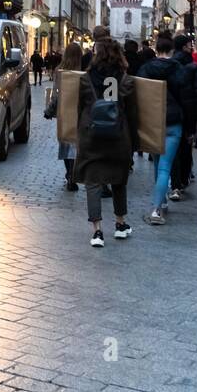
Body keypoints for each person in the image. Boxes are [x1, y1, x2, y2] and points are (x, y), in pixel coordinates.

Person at [74, 38, 140, 247]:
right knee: (118, 179)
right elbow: (132, 114)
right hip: (118, 137)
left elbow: (79, 110)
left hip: (92, 136)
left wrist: (80, 134)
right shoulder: (127, 80)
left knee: (93, 182)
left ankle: (97, 231)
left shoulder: (85, 79)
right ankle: (120, 224)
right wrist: (135, 143)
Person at [139, 34, 197, 225]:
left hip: (152, 122)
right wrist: (191, 128)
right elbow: (187, 101)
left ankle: (160, 204)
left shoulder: (145, 69)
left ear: (157, 50)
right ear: (172, 51)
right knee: (166, 166)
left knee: (158, 164)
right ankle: (158, 208)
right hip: (173, 122)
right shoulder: (180, 70)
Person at [166, 33, 197, 199]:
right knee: (186, 146)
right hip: (189, 112)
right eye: (190, 45)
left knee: (174, 150)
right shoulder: (194, 67)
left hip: (172, 112)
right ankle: (183, 179)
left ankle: (175, 184)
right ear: (184, 47)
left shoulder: (169, 65)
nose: (192, 47)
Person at [44, 42, 84, 192]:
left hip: (64, 112)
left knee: (66, 144)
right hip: (79, 113)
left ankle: (69, 174)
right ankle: (73, 175)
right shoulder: (84, 72)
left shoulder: (60, 72)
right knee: (76, 145)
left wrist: (49, 111)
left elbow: (56, 95)